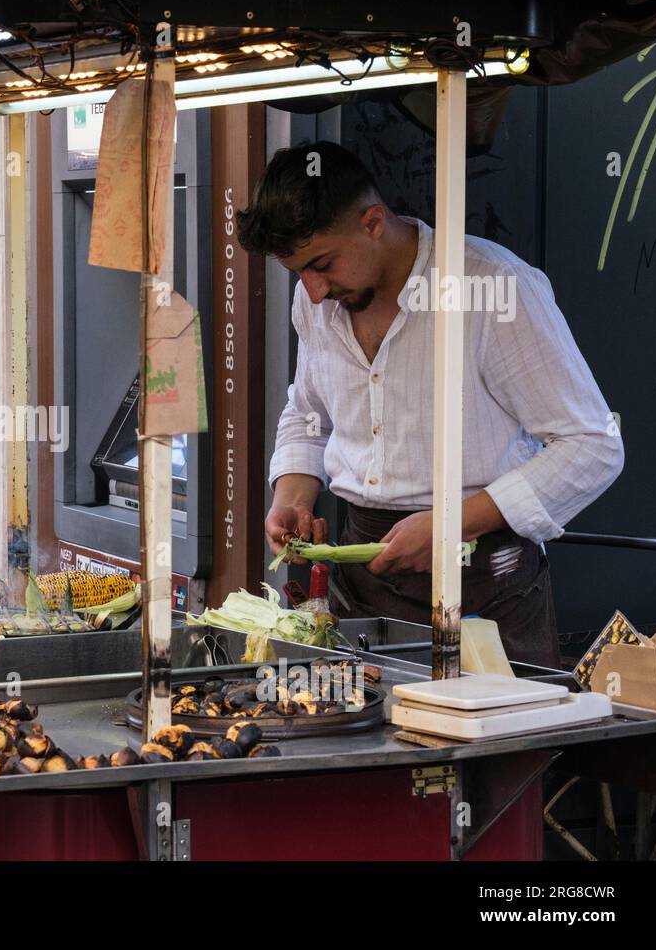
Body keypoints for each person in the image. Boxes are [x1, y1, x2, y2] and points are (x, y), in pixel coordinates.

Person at [236, 141, 624, 667]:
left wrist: (450, 525)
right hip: (359, 585)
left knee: (491, 747)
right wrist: (294, 494)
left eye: (322, 264)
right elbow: (307, 416)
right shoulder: (317, 301)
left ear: (373, 222)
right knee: (370, 744)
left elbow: (593, 446)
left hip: (486, 585)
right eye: (298, 272)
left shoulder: (491, 287)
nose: (314, 290)